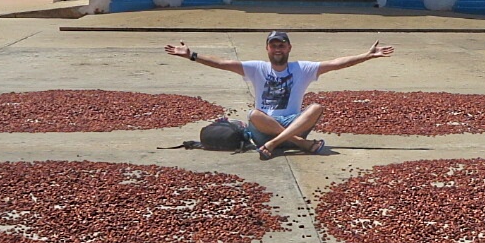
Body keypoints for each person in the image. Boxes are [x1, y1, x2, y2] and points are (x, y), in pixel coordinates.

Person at [164, 31, 394, 159]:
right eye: (273, 45)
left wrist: (367, 55)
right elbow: (223, 63)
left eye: (281, 45)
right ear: (267, 49)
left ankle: (277, 143)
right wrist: (191, 55)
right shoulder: (257, 68)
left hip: (293, 123)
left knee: (316, 108)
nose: (277, 49)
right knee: (255, 114)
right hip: (263, 128)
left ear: (289, 48)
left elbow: (336, 63)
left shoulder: (302, 68)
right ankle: (298, 144)